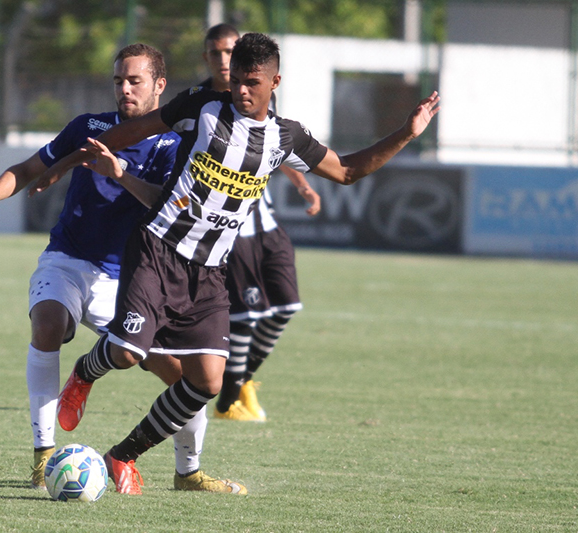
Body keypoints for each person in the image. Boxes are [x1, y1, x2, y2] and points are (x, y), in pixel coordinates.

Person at [38, 32, 440, 495]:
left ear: (275, 82)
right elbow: (134, 130)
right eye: (236, 82)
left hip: (209, 272)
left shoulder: (287, 137)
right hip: (158, 249)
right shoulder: (203, 106)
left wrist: (407, 133)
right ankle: (85, 373)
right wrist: (72, 160)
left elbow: (347, 171)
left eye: (252, 82)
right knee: (129, 354)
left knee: (207, 382)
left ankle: (122, 455)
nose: (242, 91)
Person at [0, 43, 243, 494]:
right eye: (118, 81)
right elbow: (28, 167)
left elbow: (164, 203)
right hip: (68, 261)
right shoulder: (89, 127)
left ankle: (188, 472)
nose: (124, 89)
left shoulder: (176, 143)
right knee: (47, 323)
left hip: (130, 280)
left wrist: (119, 173)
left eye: (135, 81)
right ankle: (43, 455)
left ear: (159, 86)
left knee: (185, 378)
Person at [200, 23, 322, 422]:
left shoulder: (256, 95)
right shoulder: (204, 105)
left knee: (286, 307)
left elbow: (278, 146)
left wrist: (303, 186)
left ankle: (240, 381)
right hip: (234, 231)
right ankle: (229, 398)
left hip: (267, 224)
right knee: (247, 318)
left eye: (229, 51)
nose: (223, 60)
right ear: (209, 58)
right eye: (216, 53)